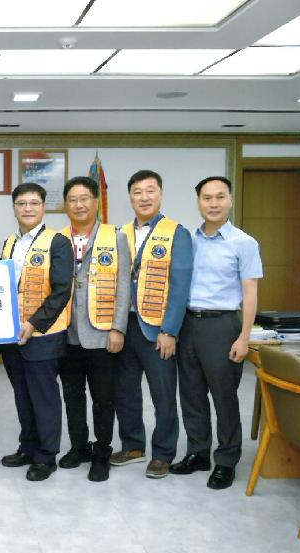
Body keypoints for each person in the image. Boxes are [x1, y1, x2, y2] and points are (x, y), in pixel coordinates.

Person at [170, 176, 262, 490]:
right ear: (198, 202)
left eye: (220, 197)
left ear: (230, 200)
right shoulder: (187, 240)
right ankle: (198, 453)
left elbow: (250, 292)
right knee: (191, 394)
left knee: (224, 398)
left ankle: (226, 460)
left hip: (222, 325)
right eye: (207, 198)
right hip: (188, 324)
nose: (213, 204)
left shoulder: (244, 243)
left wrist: (244, 337)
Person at [111, 170, 193, 479]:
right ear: (130, 196)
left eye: (150, 191)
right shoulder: (119, 233)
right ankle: (133, 446)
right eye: (137, 192)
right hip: (124, 326)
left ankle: (163, 453)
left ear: (160, 194)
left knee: (163, 394)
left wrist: (170, 330)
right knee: (125, 391)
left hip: (158, 328)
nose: (144, 197)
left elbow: (180, 286)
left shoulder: (176, 233)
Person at [0, 182, 74, 481]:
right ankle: (27, 447)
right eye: (21, 203)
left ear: (44, 207)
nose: (27, 209)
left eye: (34, 203)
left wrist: (33, 324)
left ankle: (46, 455)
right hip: (11, 335)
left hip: (43, 334)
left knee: (44, 397)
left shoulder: (58, 242)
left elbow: (61, 290)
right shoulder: (8, 242)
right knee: (22, 395)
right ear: (14, 208)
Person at [58, 176, 131, 482]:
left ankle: (102, 452)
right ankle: (79, 447)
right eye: (72, 199)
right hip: (66, 333)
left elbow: (124, 286)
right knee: (72, 395)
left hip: (102, 333)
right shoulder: (57, 239)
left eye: (84, 198)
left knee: (103, 398)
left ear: (96, 201)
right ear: (65, 205)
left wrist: (118, 328)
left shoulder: (115, 237)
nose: (79, 204)